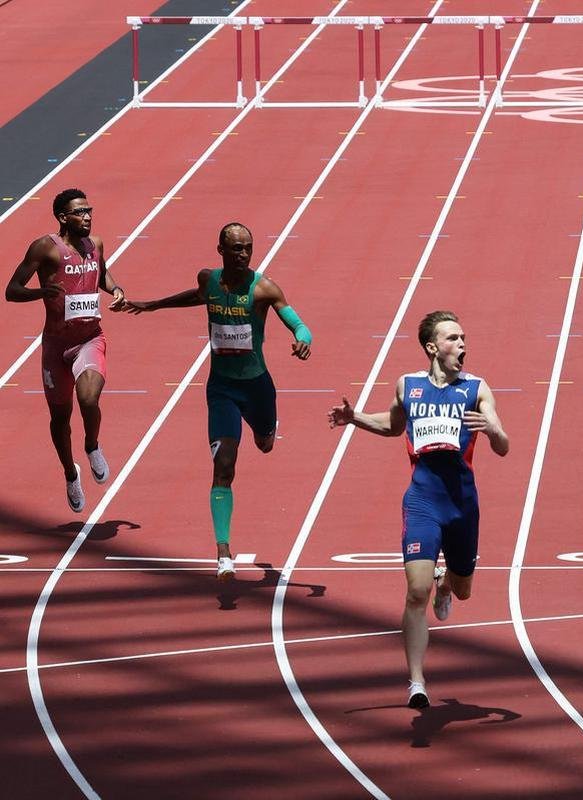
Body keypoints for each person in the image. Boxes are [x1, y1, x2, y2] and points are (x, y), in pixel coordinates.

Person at [328, 310, 508, 709]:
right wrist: (354, 417)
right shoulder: (408, 386)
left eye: (464, 338)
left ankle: (448, 582)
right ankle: (416, 682)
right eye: (453, 338)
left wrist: (494, 430)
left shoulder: (477, 389)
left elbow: (503, 444)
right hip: (422, 501)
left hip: (462, 506)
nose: (463, 345)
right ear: (432, 347)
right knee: (415, 592)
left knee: (462, 590)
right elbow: (393, 426)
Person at [112, 223, 312, 578]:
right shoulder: (209, 280)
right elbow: (195, 295)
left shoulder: (264, 288)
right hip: (221, 389)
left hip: (258, 387)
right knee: (224, 468)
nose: (243, 254)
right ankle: (223, 551)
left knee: (265, 445)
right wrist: (154, 305)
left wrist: (302, 337)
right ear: (220, 249)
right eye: (236, 248)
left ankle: (265, 428)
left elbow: (296, 321)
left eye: (248, 248)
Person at [5, 189, 126, 512]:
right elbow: (12, 290)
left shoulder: (95, 244)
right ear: (63, 217)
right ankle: (71, 473)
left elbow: (102, 275)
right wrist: (41, 292)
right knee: (60, 416)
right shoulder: (46, 248)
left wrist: (115, 289)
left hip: (90, 339)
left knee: (88, 398)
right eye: (79, 212)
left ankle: (91, 445)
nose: (87, 216)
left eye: (89, 210)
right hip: (56, 345)